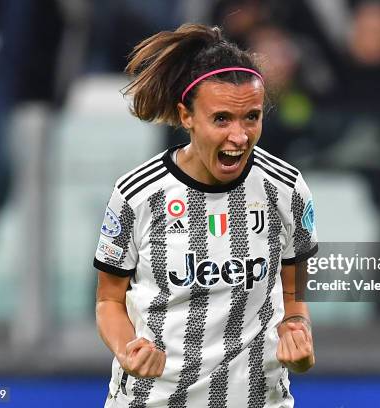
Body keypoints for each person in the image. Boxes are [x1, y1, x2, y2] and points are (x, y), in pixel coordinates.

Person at [94, 23, 318, 407]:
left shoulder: (286, 189)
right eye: (221, 119)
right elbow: (108, 301)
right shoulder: (138, 194)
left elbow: (293, 294)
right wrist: (127, 348)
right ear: (186, 117)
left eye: (251, 117)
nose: (239, 136)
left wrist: (298, 338)